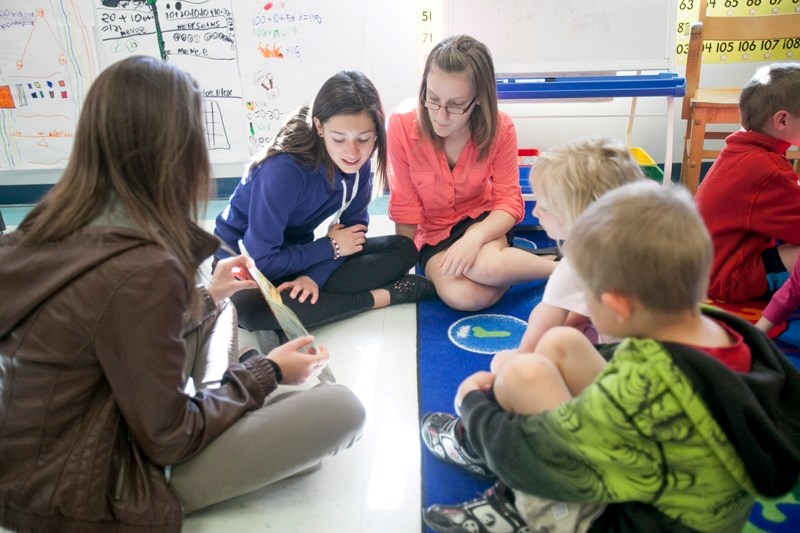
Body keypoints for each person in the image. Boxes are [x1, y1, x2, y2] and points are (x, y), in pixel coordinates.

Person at [0, 56, 366, 532]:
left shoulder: (46, 220)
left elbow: (109, 327)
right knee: (342, 408)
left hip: (36, 461)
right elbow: (168, 437)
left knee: (222, 308)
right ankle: (245, 408)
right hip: (91, 488)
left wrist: (208, 293)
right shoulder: (144, 268)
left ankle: (240, 405)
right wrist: (269, 372)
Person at [419, 181, 800, 533]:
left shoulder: (647, 383)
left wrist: (476, 405)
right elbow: (621, 370)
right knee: (561, 343)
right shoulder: (723, 331)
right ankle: (495, 446)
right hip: (677, 486)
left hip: (645, 521)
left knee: (522, 377)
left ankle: (526, 505)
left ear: (616, 304)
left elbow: (560, 455)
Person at [214, 70, 434, 342]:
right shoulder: (284, 170)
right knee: (249, 310)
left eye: (364, 139)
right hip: (245, 265)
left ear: (376, 133)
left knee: (402, 249)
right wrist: (329, 247)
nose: (353, 153)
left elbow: (354, 231)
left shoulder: (359, 163)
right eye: (339, 139)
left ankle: (307, 304)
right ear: (319, 127)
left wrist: (314, 277)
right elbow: (262, 260)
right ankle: (379, 298)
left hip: (296, 256)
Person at [386, 35, 557, 312]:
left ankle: (563, 271)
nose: (441, 116)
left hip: (482, 220)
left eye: (456, 105)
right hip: (432, 233)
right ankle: (519, 266)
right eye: (432, 99)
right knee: (463, 297)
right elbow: (405, 203)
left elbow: (508, 202)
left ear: (478, 99)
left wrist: (475, 238)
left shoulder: (501, 128)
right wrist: (400, 266)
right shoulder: (401, 124)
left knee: (486, 266)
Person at [511, 137, 644, 353]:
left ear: (577, 214)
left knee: (515, 356)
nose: (535, 212)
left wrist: (511, 367)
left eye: (543, 205)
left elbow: (532, 344)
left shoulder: (577, 267)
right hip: (676, 356)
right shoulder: (648, 244)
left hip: (626, 372)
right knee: (576, 316)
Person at [695, 62, 800, 302]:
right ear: (782, 121)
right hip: (729, 278)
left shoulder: (743, 150)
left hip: (707, 268)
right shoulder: (768, 170)